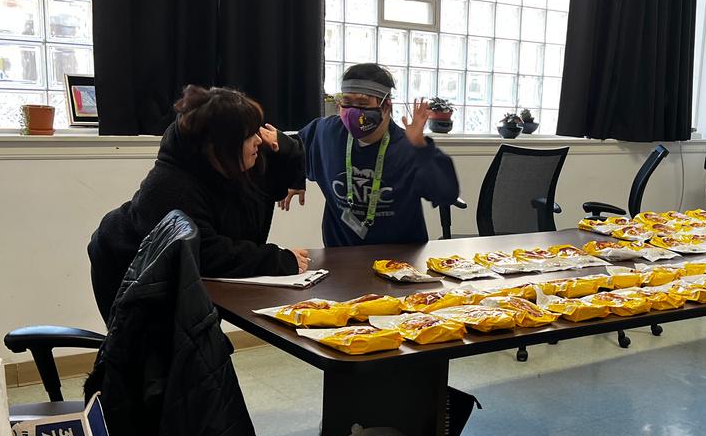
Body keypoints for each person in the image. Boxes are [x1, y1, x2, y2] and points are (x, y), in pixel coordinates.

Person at [88, 85, 311, 320]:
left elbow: (274, 183)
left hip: (177, 274)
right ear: (219, 145)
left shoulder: (227, 162)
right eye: (249, 135)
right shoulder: (170, 186)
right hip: (126, 268)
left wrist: (287, 148)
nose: (258, 140)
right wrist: (277, 259)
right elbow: (205, 253)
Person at [285, 63, 459, 246]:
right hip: (341, 253)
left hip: (400, 255)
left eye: (363, 104)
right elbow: (295, 147)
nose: (353, 111)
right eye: (347, 102)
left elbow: (446, 194)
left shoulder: (408, 147)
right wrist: (295, 178)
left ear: (386, 106)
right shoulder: (327, 133)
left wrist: (422, 149)